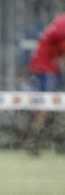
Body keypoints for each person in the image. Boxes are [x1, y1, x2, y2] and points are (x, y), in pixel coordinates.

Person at [26, 13, 65, 155]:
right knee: (46, 105)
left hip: (47, 67)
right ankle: (34, 141)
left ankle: (55, 139)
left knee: (54, 104)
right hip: (46, 69)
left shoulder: (61, 19)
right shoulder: (63, 23)